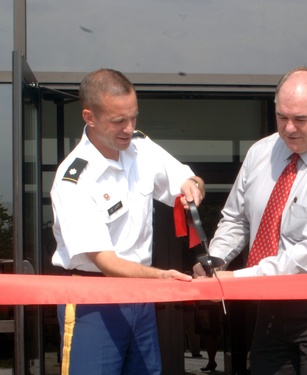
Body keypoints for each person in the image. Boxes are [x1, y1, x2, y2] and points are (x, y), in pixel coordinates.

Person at [193, 66, 307, 374]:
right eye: (281, 117)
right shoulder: (260, 153)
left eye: (301, 119)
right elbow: (236, 218)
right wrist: (216, 259)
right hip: (274, 298)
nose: (289, 128)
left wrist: (234, 281)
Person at [51, 68, 205, 375]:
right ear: (89, 117)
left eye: (133, 117)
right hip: (93, 301)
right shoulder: (74, 179)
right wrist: (161, 279)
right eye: (118, 120)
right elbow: (106, 262)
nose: (129, 128)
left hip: (141, 297)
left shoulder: (141, 148)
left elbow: (188, 179)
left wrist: (193, 186)